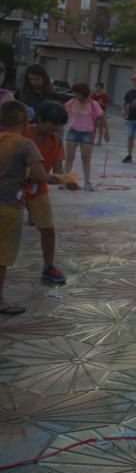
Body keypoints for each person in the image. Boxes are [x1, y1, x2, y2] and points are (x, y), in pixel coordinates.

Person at [0, 101, 48, 315]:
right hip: (9, 207)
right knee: (2, 255)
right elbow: (40, 175)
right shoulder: (26, 144)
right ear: (25, 121)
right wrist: (59, 178)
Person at [25, 101, 70, 284]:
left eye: (60, 124)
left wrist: (66, 181)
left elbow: (58, 170)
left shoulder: (56, 141)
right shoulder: (22, 134)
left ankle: (48, 267)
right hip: (12, 188)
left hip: (38, 190)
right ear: (40, 120)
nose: (57, 128)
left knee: (48, 229)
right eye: (54, 123)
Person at [64, 83, 107, 192]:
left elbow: (102, 117)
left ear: (84, 93)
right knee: (69, 157)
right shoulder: (72, 102)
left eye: (78, 93)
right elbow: (63, 111)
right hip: (72, 132)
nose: (76, 95)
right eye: (75, 93)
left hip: (87, 133)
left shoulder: (93, 104)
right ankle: (65, 181)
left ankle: (87, 182)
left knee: (86, 159)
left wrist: (107, 132)